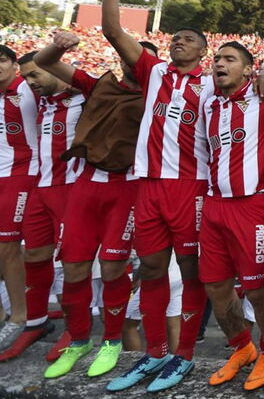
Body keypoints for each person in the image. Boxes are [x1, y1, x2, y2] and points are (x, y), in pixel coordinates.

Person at [101, 0, 264, 392]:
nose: (178, 40)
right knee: (152, 270)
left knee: (195, 273)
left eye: (189, 39)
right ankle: (153, 354)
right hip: (147, 186)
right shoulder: (153, 72)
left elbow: (251, 93)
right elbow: (113, 30)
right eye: (175, 36)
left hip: (191, 187)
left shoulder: (214, 85)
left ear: (205, 51)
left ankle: (185, 356)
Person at [31, 32, 156, 378]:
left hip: (127, 190)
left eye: (141, 58)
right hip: (85, 186)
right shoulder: (99, 86)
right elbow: (43, 63)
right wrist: (59, 46)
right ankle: (80, 340)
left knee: (114, 268)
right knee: (73, 268)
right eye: (129, 55)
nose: (133, 61)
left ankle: (112, 342)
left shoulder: (158, 96)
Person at [197, 41, 264, 390]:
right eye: (217, 59)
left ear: (248, 69)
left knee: (257, 288)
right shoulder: (209, 105)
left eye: (229, 59)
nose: (219, 63)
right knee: (217, 286)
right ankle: (242, 347)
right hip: (215, 204)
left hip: (252, 205)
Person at [0, 51, 84, 363]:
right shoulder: (42, 100)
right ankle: (33, 323)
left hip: (71, 188)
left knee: (72, 262)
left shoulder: (84, 96)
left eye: (35, 74)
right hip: (41, 186)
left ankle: (77, 330)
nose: (30, 82)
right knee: (34, 254)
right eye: (28, 76)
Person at [0, 44, 38, 355]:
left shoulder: (28, 87)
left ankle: (20, 315)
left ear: (14, 64)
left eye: (2, 60)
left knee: (8, 246)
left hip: (22, 174)